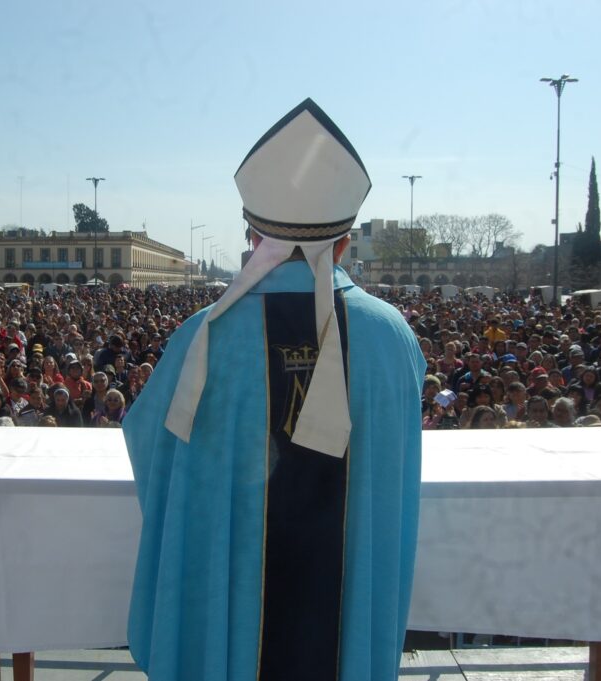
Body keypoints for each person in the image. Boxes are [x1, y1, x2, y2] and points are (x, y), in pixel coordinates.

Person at [123, 100, 425, 681]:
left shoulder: (202, 339)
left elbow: (152, 449)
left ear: (252, 235)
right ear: (345, 241)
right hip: (342, 626)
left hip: (232, 616)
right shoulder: (391, 336)